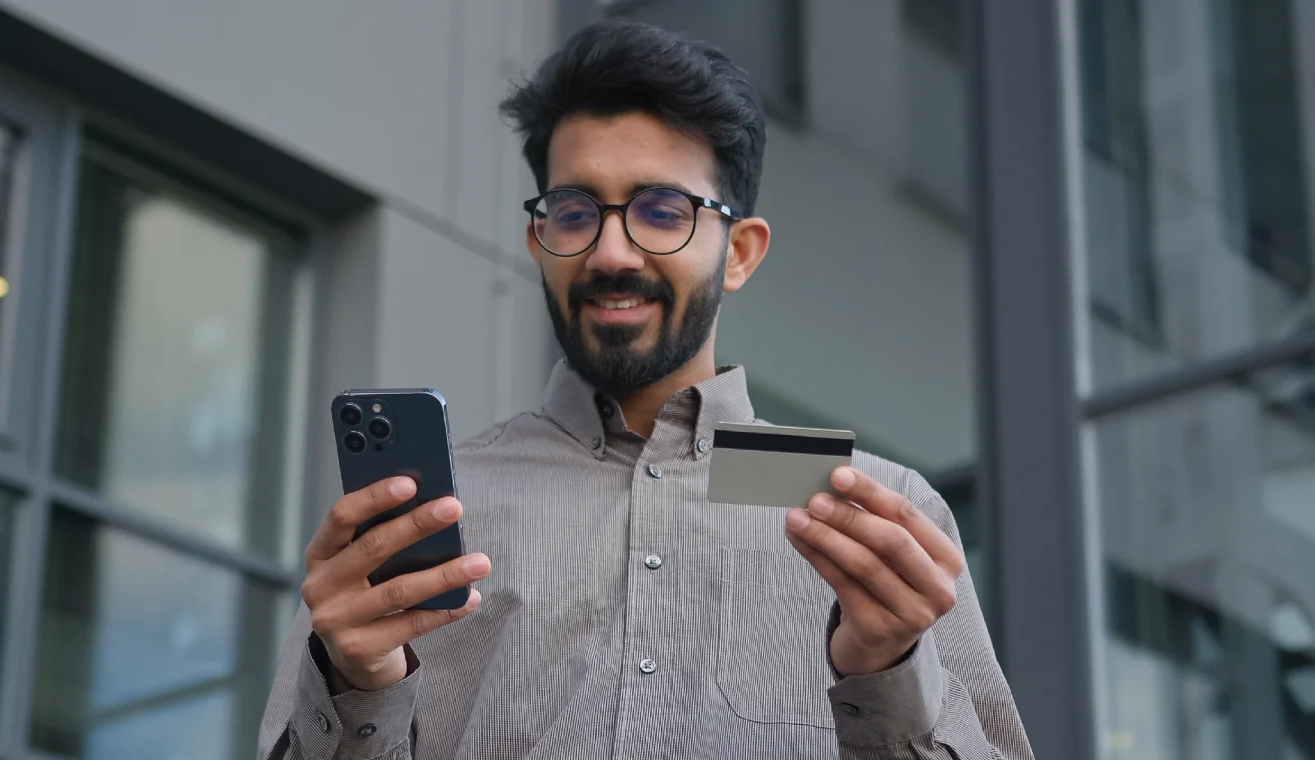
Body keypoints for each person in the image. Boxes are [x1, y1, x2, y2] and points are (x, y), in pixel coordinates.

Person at [258, 18, 1033, 760]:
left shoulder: (880, 519)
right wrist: (355, 684)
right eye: (574, 211)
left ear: (740, 254)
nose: (611, 252)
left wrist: (885, 668)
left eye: (663, 211)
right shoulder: (426, 519)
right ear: (539, 242)